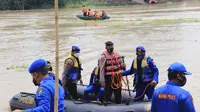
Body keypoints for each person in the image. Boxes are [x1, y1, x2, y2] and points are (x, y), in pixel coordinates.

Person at [99, 41, 125, 105]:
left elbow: (121, 66)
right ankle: (105, 102)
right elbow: (101, 70)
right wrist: (102, 80)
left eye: (111, 46)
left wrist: (123, 66)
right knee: (108, 91)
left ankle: (118, 103)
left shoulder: (117, 55)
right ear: (106, 47)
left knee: (118, 91)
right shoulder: (103, 57)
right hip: (109, 77)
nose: (110, 48)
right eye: (108, 46)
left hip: (117, 76)